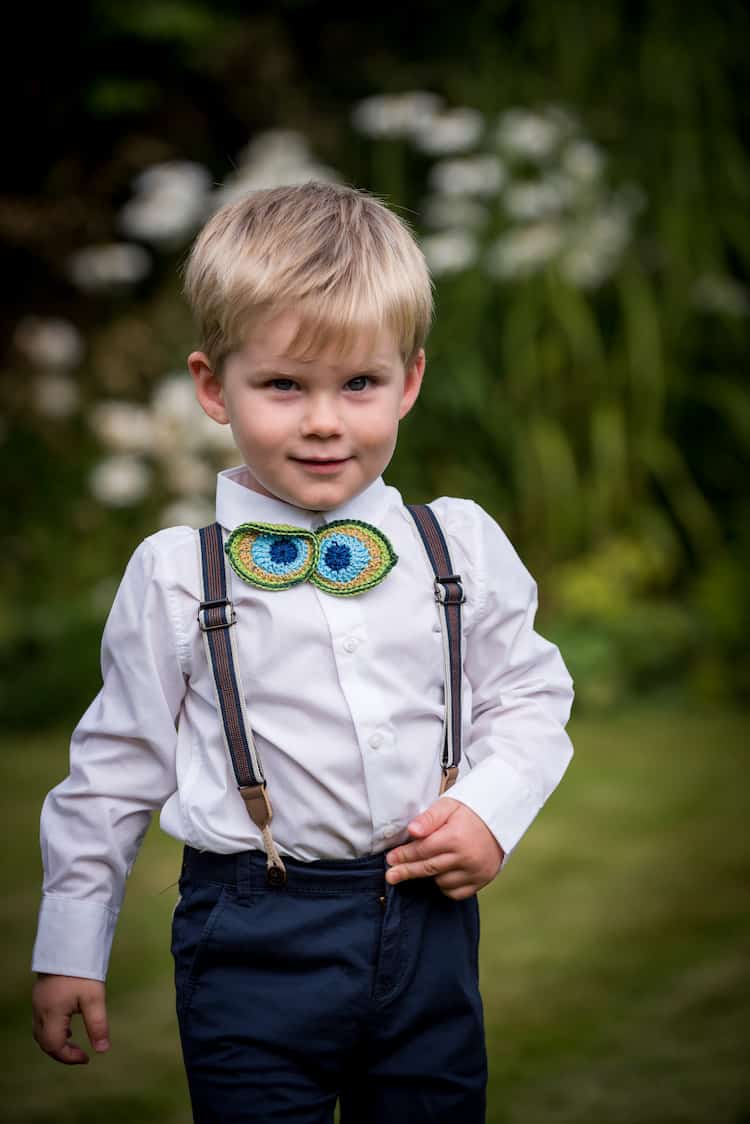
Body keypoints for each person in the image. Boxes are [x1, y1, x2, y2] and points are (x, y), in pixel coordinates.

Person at [31, 181, 574, 1122]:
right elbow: (114, 767)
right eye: (284, 385)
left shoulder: (458, 545)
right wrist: (72, 943)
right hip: (251, 938)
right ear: (213, 387)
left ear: (408, 380)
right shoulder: (176, 574)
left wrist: (488, 810)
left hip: (428, 929)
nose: (324, 420)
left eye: (358, 384)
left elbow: (529, 693)